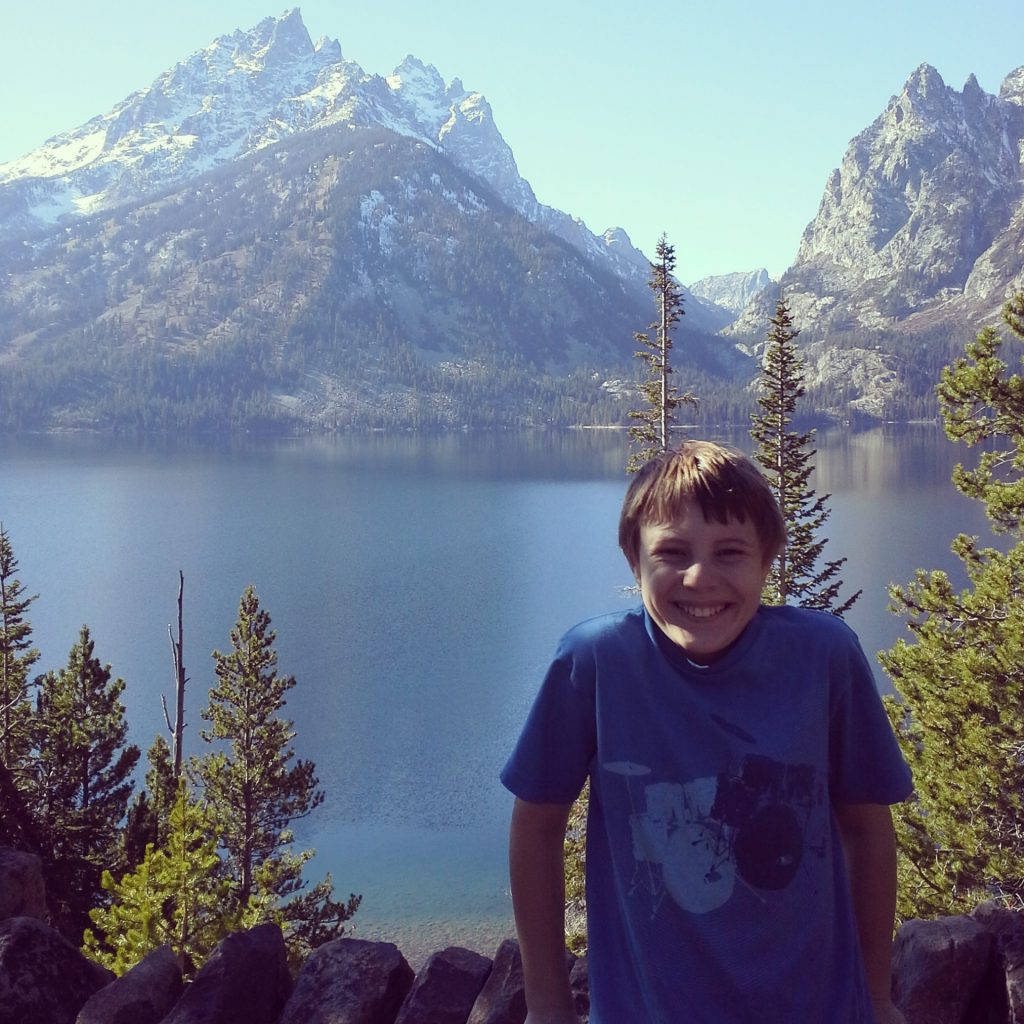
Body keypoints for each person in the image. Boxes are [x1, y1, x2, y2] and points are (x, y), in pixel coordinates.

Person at [501, 440, 912, 1023]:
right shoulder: (595, 664)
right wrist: (547, 1006)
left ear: (767, 561)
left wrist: (874, 997)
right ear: (633, 559)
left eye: (730, 552)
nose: (700, 578)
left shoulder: (822, 658)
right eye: (672, 551)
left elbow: (868, 831)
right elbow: (537, 825)